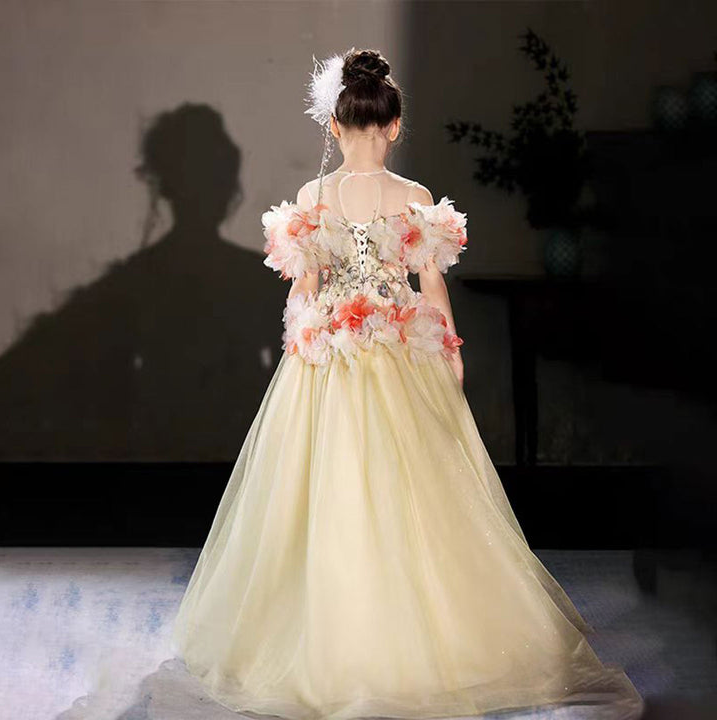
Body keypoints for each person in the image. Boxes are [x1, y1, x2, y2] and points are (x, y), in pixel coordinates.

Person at [171, 48, 644, 720]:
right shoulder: (415, 198)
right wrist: (450, 355)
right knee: (415, 492)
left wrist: (306, 341)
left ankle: (332, 634)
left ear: (334, 126)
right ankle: (421, 634)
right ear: (394, 125)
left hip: (327, 362)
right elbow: (431, 289)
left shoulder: (312, 199)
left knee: (325, 490)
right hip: (400, 355)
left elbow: (302, 292)